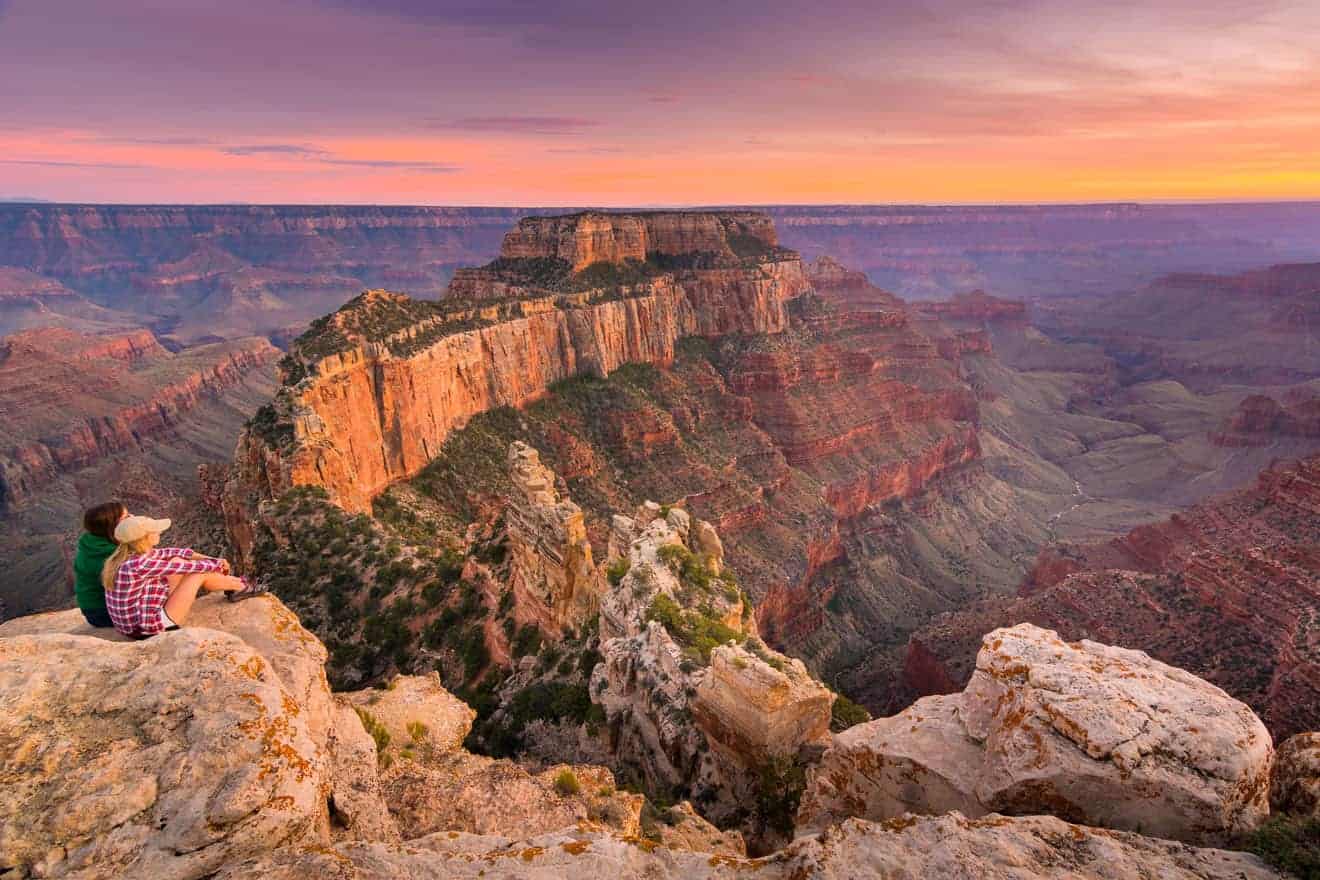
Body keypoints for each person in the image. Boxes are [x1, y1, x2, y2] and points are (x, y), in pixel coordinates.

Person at [102, 514, 267, 638]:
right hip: (146, 628)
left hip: (136, 619)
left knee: (177, 559)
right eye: (156, 530)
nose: (159, 532)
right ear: (145, 537)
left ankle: (235, 585)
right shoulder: (138, 564)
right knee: (197, 573)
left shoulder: (130, 553)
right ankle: (240, 587)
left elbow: (174, 553)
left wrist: (212, 559)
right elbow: (188, 567)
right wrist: (218, 565)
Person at [73, 501, 128, 628]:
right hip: (102, 613)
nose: (132, 518)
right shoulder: (107, 555)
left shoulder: (91, 542)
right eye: (126, 517)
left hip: (93, 609)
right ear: (112, 525)